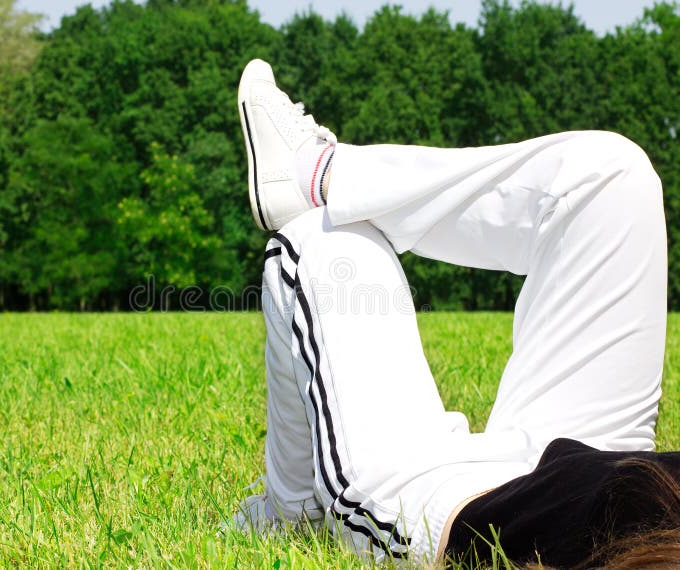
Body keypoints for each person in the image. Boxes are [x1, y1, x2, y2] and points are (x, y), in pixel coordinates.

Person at [225, 59, 677, 568]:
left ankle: (293, 513)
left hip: (479, 515)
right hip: (613, 463)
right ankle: (319, 174)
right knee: (611, 176)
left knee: (324, 244)